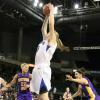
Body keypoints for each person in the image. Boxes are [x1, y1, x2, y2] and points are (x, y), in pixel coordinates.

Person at [30, 3, 70, 100]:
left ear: (53, 37)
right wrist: (47, 16)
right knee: (39, 97)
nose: (47, 32)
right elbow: (43, 28)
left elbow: (51, 26)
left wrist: (51, 12)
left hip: (42, 70)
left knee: (44, 97)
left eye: (50, 33)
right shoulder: (44, 41)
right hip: (37, 69)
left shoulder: (52, 42)